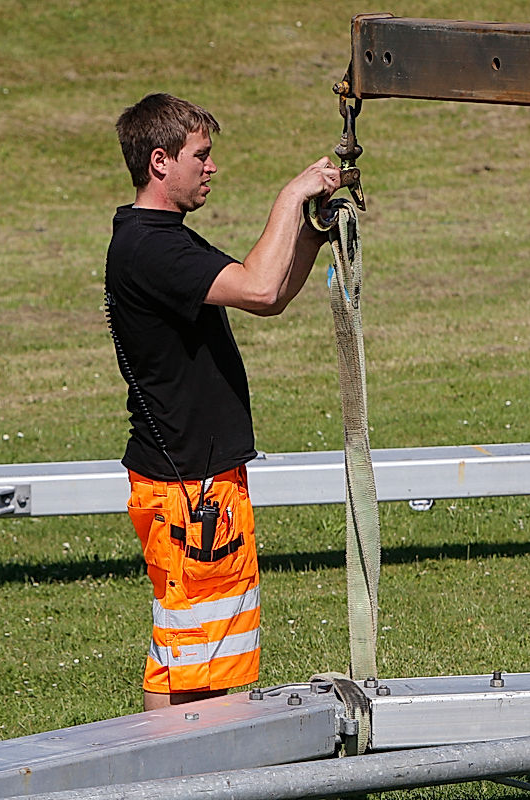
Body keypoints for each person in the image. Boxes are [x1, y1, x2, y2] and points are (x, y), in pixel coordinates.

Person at [105, 93, 340, 711]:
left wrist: (312, 235)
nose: (211, 168)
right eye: (200, 156)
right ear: (160, 161)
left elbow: (269, 295)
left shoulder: (159, 239)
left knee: (196, 655)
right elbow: (261, 287)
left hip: (196, 479)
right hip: (190, 486)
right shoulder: (154, 249)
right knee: (186, 663)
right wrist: (291, 197)